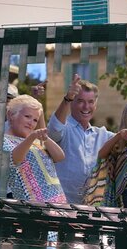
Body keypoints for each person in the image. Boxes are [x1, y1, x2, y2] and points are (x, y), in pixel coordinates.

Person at [46, 74, 114, 204]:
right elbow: (54, 129)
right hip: (63, 206)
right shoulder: (65, 129)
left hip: (92, 207)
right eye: (80, 101)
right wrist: (67, 98)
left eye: (90, 102)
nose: (86, 107)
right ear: (72, 102)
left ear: (95, 105)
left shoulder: (102, 135)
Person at [2, 95, 66, 204]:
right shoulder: (3, 140)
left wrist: (45, 138)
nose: (31, 123)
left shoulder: (36, 141)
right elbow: (15, 159)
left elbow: (60, 157)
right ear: (11, 115)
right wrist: (31, 137)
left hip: (58, 204)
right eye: (27, 116)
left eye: (35, 120)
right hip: (31, 207)